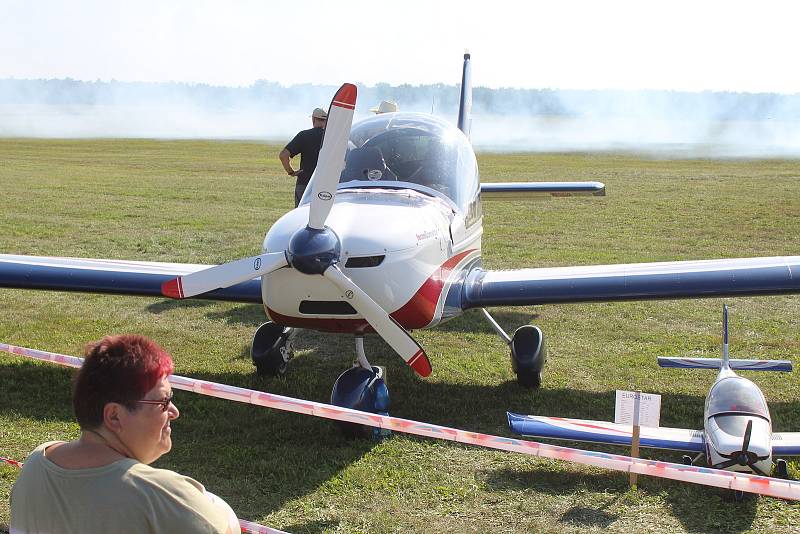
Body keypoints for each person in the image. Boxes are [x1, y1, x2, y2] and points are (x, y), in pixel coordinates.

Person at [10, 335, 238, 534]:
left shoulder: (35, 464)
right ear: (114, 416)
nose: (174, 412)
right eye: (163, 401)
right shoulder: (159, 494)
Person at [279, 107, 327, 207]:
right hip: (326, 185)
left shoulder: (304, 135)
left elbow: (283, 155)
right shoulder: (333, 137)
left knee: (301, 216)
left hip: (304, 183)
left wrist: (291, 172)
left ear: (313, 119)